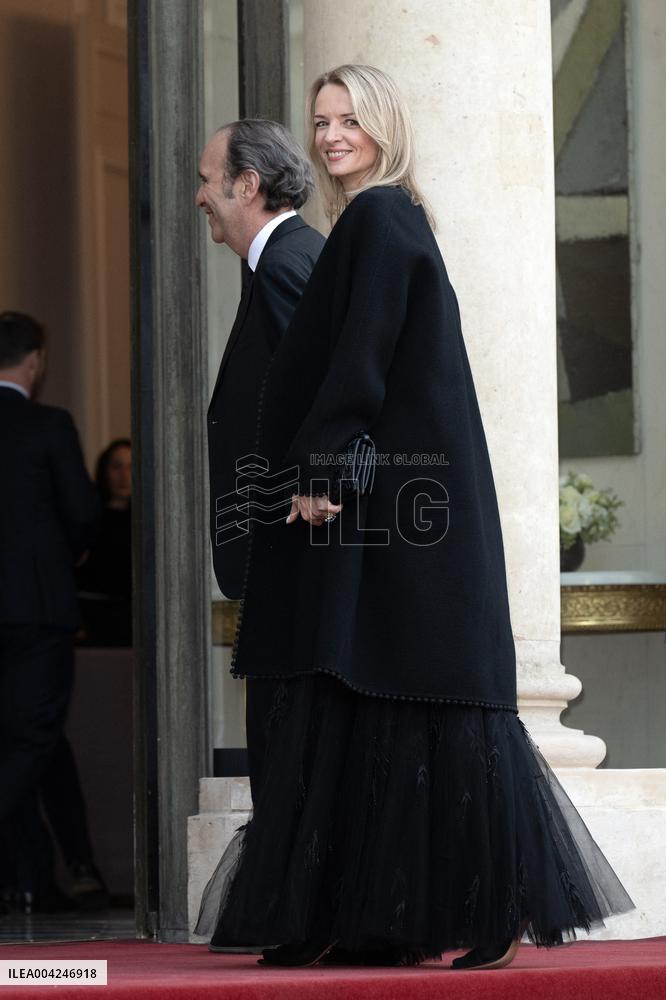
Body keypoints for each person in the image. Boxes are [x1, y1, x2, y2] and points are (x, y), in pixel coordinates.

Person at [196, 66, 634, 968]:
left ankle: (472, 916)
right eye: (322, 121)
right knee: (386, 693)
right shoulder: (382, 219)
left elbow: (362, 356)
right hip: (395, 506)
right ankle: (387, 919)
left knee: (422, 694)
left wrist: (322, 465)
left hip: (397, 510)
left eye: (350, 120)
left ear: (385, 128)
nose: (331, 136)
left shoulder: (380, 216)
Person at [197, 119, 325, 794]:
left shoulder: (284, 265)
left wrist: (314, 486)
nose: (199, 197)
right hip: (288, 554)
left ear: (246, 185)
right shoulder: (285, 259)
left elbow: (328, 393)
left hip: (290, 551)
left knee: (286, 768)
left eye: (206, 180)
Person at [0, 311, 100, 912]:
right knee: (34, 736)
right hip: (36, 609)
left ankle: (31, 875)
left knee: (19, 739)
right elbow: (83, 514)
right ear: (35, 361)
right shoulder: (49, 425)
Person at [77, 438, 132, 647]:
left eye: (131, 466)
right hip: (93, 621)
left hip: (133, 622)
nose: (124, 475)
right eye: (117, 467)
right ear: (105, 472)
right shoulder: (87, 518)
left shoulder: (150, 523)